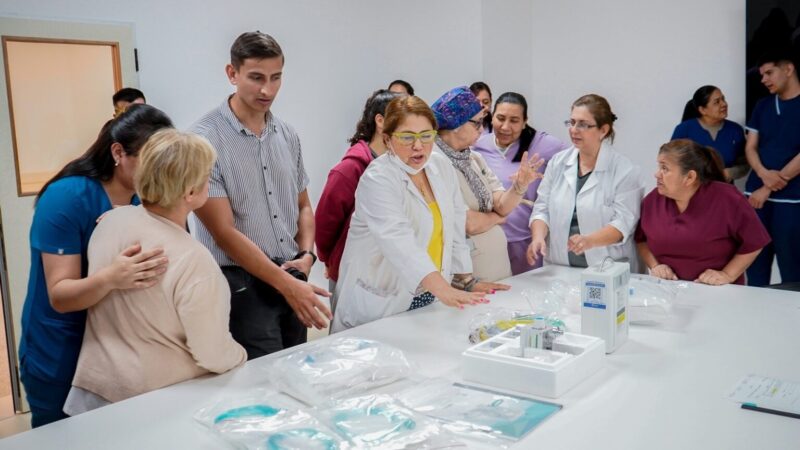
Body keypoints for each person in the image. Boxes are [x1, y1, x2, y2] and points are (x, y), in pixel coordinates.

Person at [64, 129, 246, 415]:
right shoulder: (194, 261)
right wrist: (240, 356)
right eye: (207, 176)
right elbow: (212, 353)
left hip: (95, 394)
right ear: (189, 192)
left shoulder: (110, 222)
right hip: (153, 405)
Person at [18, 104, 172, 427]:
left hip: (115, 350)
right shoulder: (67, 198)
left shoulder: (142, 200)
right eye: (152, 158)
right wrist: (113, 277)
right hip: (60, 351)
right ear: (118, 152)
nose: (161, 169)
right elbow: (60, 294)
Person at [191, 31, 331, 360]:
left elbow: (303, 207)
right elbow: (223, 233)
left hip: (293, 271)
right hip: (242, 284)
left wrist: (307, 256)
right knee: (260, 386)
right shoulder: (204, 140)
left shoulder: (287, 134)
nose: (267, 90)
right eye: (256, 78)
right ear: (232, 73)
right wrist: (285, 283)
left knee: (297, 372)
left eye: (275, 78)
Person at [331, 96, 505, 332]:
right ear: (387, 138)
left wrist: (464, 280)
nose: (418, 146)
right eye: (407, 137)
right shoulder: (378, 179)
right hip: (382, 299)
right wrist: (444, 290)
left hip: (427, 294)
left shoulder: (439, 166)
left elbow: (454, 226)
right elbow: (399, 242)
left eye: (426, 135)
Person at [431, 86, 543, 282]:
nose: (482, 129)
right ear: (456, 124)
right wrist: (496, 218)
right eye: (477, 123)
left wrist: (518, 187)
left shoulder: (474, 158)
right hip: (464, 278)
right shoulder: (434, 163)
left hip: (497, 270)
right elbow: (468, 223)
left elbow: (501, 204)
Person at [527, 94, 643, 271]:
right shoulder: (558, 163)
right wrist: (538, 237)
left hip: (607, 270)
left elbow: (623, 224)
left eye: (583, 124)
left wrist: (589, 241)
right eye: (571, 122)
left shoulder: (625, 171)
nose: (574, 130)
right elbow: (542, 208)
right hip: (560, 267)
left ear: (603, 130)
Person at [635, 139, 770, 285]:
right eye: (659, 167)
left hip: (717, 292)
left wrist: (727, 274)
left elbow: (755, 242)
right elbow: (641, 239)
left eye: (665, 168)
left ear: (690, 177)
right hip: (668, 292)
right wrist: (655, 266)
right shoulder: (652, 200)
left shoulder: (728, 198)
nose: (656, 174)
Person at [315, 89, 401, 314]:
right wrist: (329, 260)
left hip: (385, 269)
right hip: (349, 267)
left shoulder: (399, 166)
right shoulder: (350, 169)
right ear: (380, 121)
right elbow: (325, 222)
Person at [473, 92, 569, 274]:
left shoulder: (543, 144)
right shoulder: (479, 145)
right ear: (491, 117)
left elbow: (575, 160)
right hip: (488, 239)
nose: (505, 127)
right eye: (500, 118)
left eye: (514, 120)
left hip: (525, 241)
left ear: (525, 121)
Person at [744, 49, 800, 287]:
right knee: (755, 266)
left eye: (769, 72)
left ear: (788, 69)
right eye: (761, 75)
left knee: (792, 270)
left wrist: (767, 187)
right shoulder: (763, 105)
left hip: (791, 200)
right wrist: (762, 174)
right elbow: (750, 148)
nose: (764, 79)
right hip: (754, 197)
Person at [671, 85, 748, 181]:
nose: (724, 104)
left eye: (723, 99)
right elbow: (671, 161)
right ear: (702, 110)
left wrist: (730, 173)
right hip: (691, 191)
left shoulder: (735, 130)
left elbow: (745, 163)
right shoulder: (684, 130)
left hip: (724, 189)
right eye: (717, 102)